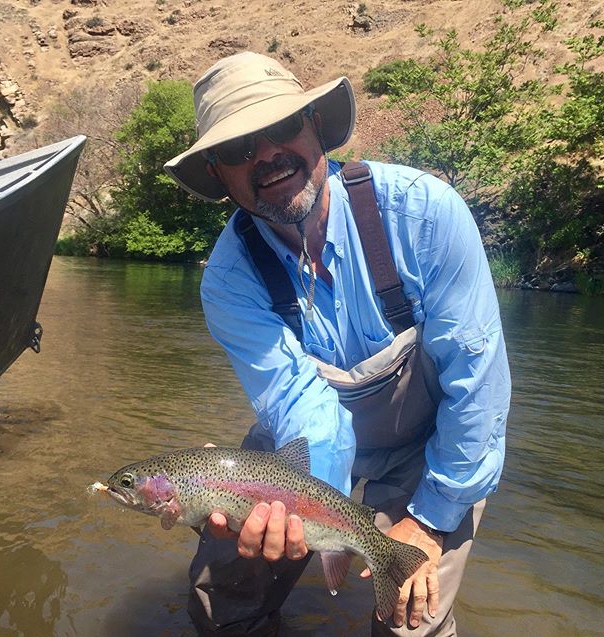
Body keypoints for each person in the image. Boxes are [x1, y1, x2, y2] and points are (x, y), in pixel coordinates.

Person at [163, 51, 511, 637]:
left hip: (430, 447)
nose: (267, 156)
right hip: (301, 449)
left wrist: (428, 520)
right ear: (219, 176)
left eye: (280, 129)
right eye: (237, 150)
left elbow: (477, 390)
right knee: (223, 598)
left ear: (315, 127)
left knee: (410, 616)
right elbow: (299, 402)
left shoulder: (424, 215)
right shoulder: (228, 279)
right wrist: (300, 513)